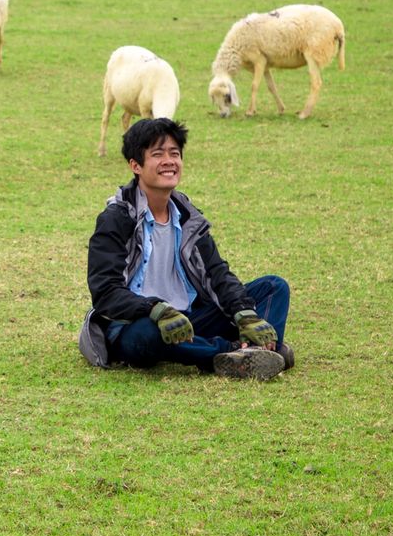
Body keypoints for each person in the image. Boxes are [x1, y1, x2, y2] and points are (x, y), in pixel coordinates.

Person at [77, 116, 293, 380]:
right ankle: (235, 352)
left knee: (273, 288)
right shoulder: (116, 219)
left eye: (175, 153)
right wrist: (154, 309)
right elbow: (105, 292)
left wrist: (244, 313)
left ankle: (252, 352)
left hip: (190, 319)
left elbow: (217, 273)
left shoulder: (188, 217)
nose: (169, 161)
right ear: (135, 165)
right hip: (139, 322)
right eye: (158, 154)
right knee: (147, 337)